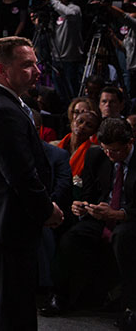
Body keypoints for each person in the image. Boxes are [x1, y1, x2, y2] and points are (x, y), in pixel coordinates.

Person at [0, 36, 64, 330]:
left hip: (0, 225)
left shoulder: (4, 103)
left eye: (35, 63)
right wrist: (47, 210)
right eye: (27, 65)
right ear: (2, 70)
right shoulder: (2, 110)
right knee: (13, 317)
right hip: (4, 227)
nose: (36, 71)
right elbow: (20, 174)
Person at [47, 118, 136, 328]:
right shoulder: (96, 155)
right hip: (101, 215)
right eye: (106, 150)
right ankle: (61, 295)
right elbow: (89, 193)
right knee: (71, 236)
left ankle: (130, 306)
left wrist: (119, 214)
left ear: (129, 143)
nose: (110, 156)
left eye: (115, 151)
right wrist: (81, 206)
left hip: (129, 218)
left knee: (123, 238)